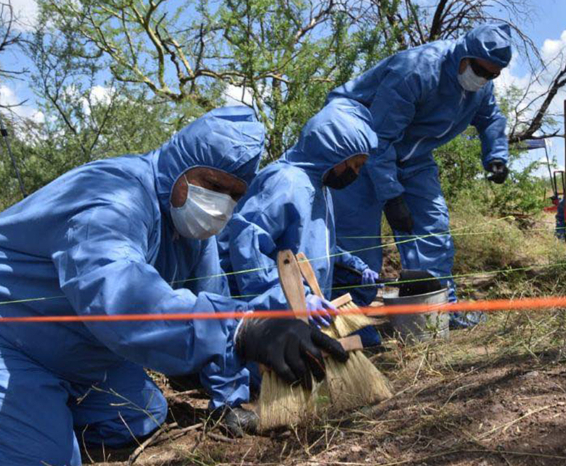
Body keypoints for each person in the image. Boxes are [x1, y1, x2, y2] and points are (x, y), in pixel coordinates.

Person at [0, 107, 347, 466]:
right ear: (180, 164)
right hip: (13, 342)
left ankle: (43, 411)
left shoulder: (192, 233)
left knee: (143, 413)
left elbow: (213, 302)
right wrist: (244, 328)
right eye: (213, 185)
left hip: (81, 350)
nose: (221, 205)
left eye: (234, 195)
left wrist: (232, 395)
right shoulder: (113, 197)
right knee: (45, 458)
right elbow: (117, 294)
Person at [326, 23, 512, 328]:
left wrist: (496, 156)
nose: (482, 79)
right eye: (479, 70)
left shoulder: (481, 87)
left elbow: (491, 117)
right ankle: (348, 321)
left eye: (492, 75)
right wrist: (392, 196)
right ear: (463, 54)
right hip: (359, 148)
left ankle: (436, 315)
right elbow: (379, 138)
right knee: (357, 240)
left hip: (413, 157)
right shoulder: (416, 70)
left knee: (433, 232)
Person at [220, 98, 380, 333]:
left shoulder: (320, 187)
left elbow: (317, 247)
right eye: (355, 165)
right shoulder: (286, 182)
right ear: (335, 152)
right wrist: (293, 297)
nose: (355, 174)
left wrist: (355, 267)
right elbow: (248, 247)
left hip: (297, 315)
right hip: (263, 314)